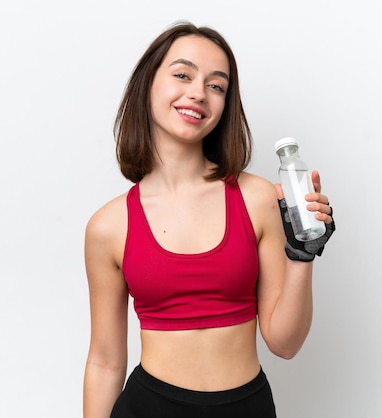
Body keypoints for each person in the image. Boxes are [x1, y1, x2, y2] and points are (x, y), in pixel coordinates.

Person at [83, 21, 335, 418]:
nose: (198, 93)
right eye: (183, 74)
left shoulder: (258, 199)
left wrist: (302, 257)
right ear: (148, 84)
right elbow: (104, 362)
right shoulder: (108, 226)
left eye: (216, 85)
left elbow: (285, 344)